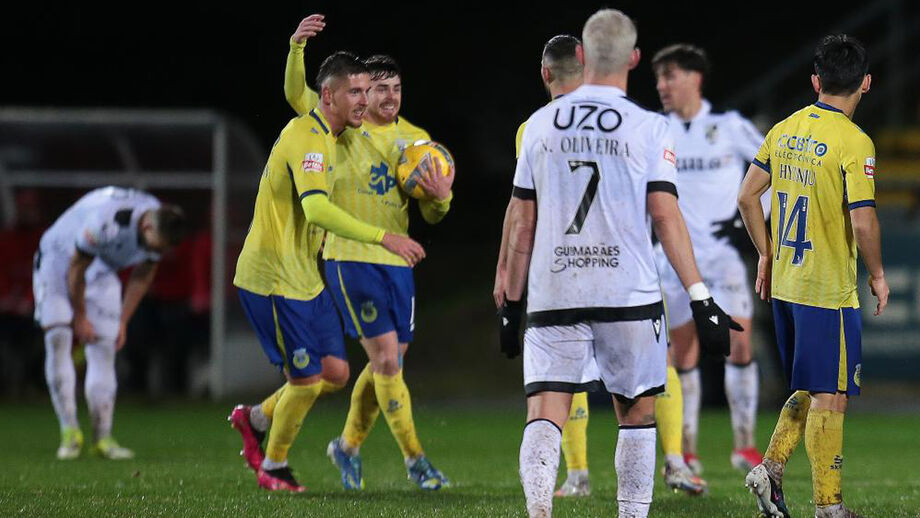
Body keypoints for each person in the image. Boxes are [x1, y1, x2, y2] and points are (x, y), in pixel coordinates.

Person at [498, 9, 739, 517]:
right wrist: (701, 297)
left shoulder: (540, 124)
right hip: (628, 291)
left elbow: (520, 221)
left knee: (545, 411)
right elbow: (665, 214)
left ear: (581, 57)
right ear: (633, 58)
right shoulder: (650, 126)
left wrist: (509, 301)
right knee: (636, 414)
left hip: (555, 288)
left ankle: (539, 511)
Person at [229, 51, 426, 493]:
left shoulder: (332, 128)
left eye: (366, 90)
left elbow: (292, 90)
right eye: (355, 92)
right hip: (273, 276)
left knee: (336, 372)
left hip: (305, 276)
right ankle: (273, 466)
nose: (365, 100)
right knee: (305, 380)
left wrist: (296, 48)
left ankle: (254, 419)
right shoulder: (309, 138)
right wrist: (384, 237)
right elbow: (316, 208)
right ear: (330, 96)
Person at [274, 15, 454, 491]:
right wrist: (296, 49)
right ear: (360, 94)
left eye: (396, 87)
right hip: (351, 258)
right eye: (379, 89)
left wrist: (440, 196)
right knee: (388, 363)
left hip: (399, 263)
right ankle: (417, 461)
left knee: (385, 367)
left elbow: (434, 215)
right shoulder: (345, 128)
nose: (389, 96)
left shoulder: (417, 140)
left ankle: (347, 447)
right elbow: (297, 95)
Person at [738, 34, 886, 518]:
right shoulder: (854, 141)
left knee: (811, 384)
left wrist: (764, 254)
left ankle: (771, 470)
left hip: (786, 284)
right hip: (828, 288)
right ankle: (829, 507)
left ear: (816, 81)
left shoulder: (784, 129)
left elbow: (746, 197)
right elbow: (863, 220)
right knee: (833, 395)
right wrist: (879, 275)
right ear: (865, 82)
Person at [651, 43, 768, 474]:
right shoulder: (656, 129)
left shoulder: (728, 126)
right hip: (673, 258)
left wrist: (749, 224)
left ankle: (745, 445)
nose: (662, 85)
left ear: (694, 78)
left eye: (670, 76)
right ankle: (687, 449)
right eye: (659, 78)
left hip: (723, 257)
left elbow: (775, 170)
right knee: (683, 352)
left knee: (740, 344)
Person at [34, 186, 187, 460]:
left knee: (105, 347)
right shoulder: (104, 224)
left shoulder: (156, 217)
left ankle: (102, 438)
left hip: (101, 267)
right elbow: (76, 267)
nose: (154, 252)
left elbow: (144, 273)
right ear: (147, 225)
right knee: (59, 337)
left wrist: (124, 321)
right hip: (59, 261)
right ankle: (69, 433)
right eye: (155, 246)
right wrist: (80, 317)